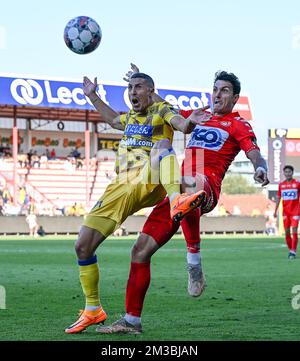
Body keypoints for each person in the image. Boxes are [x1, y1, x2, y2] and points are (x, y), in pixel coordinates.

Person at [96, 67, 269, 334]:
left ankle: (194, 262)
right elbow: (168, 112)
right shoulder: (199, 115)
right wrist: (140, 84)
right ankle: (131, 320)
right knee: (139, 251)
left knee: (190, 183)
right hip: (177, 191)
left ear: (235, 98)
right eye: (215, 89)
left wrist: (260, 167)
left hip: (205, 187)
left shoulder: (238, 124)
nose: (217, 95)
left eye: (224, 91)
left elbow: (254, 151)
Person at [65, 72, 206, 334]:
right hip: (120, 186)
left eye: (138, 87)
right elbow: (110, 118)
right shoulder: (129, 118)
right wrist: (92, 95)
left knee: (163, 144)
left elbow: (181, 124)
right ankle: (93, 310)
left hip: (148, 176)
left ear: (151, 91)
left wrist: (190, 123)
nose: (132, 92)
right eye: (129, 87)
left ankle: (177, 200)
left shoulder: (161, 110)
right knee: (82, 246)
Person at [273, 165, 300, 259]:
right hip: (285, 213)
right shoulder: (281, 185)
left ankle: (293, 251)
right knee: (287, 232)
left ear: (292, 173)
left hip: (295, 212)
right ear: (284, 173)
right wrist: (275, 211)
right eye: (286, 172)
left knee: (294, 230)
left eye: (289, 172)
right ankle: (291, 250)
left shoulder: (297, 184)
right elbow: (278, 198)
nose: (287, 173)